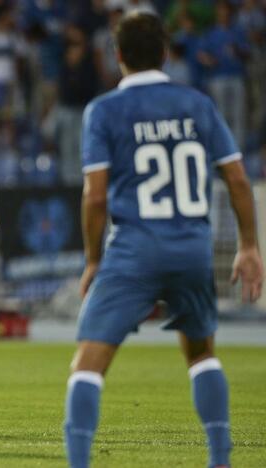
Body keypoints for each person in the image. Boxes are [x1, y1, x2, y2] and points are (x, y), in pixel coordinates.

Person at [64, 12, 263, 468]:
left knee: (88, 363)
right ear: (167, 54)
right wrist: (250, 247)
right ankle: (220, 460)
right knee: (201, 353)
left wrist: (94, 260)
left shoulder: (105, 110)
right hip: (192, 248)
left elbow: (95, 198)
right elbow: (235, 177)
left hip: (134, 249)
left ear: (117, 56)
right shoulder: (197, 104)